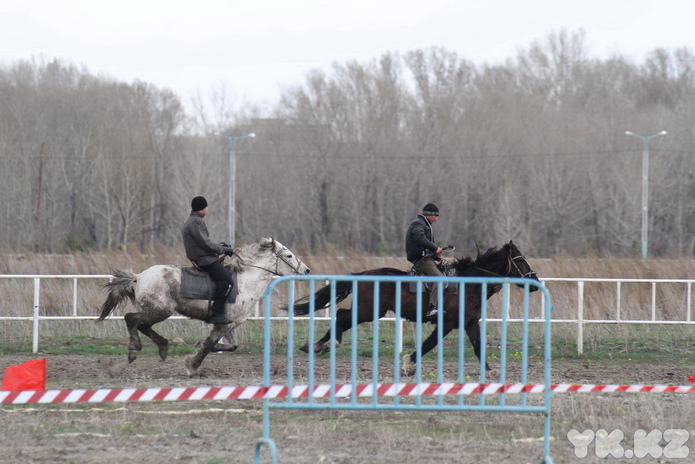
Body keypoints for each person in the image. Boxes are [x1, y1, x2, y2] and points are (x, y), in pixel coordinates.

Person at [182, 196, 235, 324]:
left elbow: (205, 243)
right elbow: (206, 243)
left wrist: (220, 247)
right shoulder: (196, 222)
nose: (207, 209)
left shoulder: (193, 220)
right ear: (203, 208)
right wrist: (223, 250)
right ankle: (216, 314)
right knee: (227, 281)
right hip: (204, 260)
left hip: (204, 257)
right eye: (206, 207)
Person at [405, 203, 446, 319]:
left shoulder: (424, 224)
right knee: (440, 279)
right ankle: (432, 307)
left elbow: (424, 244)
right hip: (422, 260)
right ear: (429, 215)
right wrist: (435, 248)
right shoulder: (418, 223)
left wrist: (435, 255)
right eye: (436, 216)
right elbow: (419, 238)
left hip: (426, 258)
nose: (437, 219)